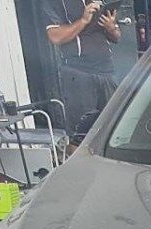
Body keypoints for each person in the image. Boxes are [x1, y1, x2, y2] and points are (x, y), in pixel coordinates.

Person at [42, 0, 121, 132]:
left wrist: (111, 27)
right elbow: (55, 37)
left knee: (114, 124)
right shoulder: (55, 3)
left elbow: (117, 37)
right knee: (81, 129)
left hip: (107, 70)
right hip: (79, 73)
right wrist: (83, 21)